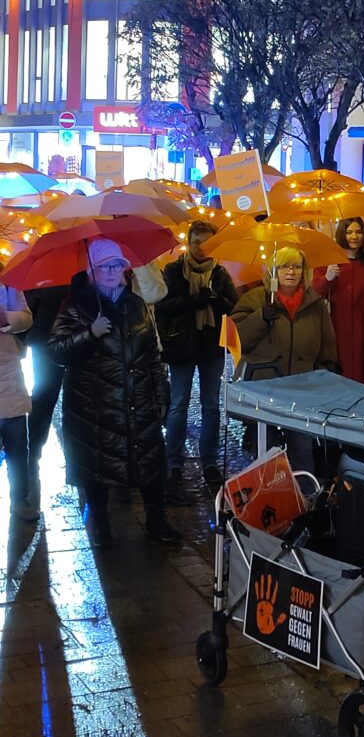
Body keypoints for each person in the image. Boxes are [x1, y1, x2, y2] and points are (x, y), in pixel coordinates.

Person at [48, 239, 178, 548]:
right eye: (104, 265)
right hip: (94, 405)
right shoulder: (76, 305)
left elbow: (152, 355)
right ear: (92, 269)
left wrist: (161, 395)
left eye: (117, 265)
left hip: (138, 399)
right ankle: (101, 525)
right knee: (96, 467)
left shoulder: (135, 304)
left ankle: (156, 520)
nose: (111, 271)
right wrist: (88, 333)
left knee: (149, 463)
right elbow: (55, 350)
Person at [231, 247, 338, 470]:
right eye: (284, 266)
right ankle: (268, 496)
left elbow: (327, 345)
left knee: (302, 448)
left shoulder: (315, 303)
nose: (291, 272)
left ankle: (304, 496)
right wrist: (260, 318)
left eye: (297, 266)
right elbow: (236, 339)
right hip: (264, 389)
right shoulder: (256, 298)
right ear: (273, 270)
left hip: (302, 391)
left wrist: (325, 374)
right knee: (266, 450)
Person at [156, 221, 237, 503]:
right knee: (178, 404)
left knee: (211, 405)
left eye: (207, 244)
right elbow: (163, 307)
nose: (201, 249)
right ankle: (174, 461)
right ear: (187, 244)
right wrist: (193, 301)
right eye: (196, 243)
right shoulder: (173, 271)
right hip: (181, 346)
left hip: (211, 348)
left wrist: (216, 302)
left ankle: (210, 462)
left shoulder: (220, 273)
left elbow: (234, 307)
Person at [313, 217, 364, 389]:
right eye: (349, 232)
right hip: (335, 331)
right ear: (342, 234)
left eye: (358, 232)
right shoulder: (328, 261)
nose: (354, 237)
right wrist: (327, 278)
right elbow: (315, 293)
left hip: (363, 333)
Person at [23, 284, 69, 507]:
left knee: (49, 400)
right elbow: (29, 307)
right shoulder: (45, 278)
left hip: (75, 343)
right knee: (43, 400)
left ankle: (35, 456)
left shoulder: (89, 271)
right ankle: (33, 455)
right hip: (47, 344)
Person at [0, 273, 39, 522]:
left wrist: (5, 318)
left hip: (8, 377)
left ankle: (20, 500)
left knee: (17, 448)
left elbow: (26, 318)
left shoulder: (7, 282)